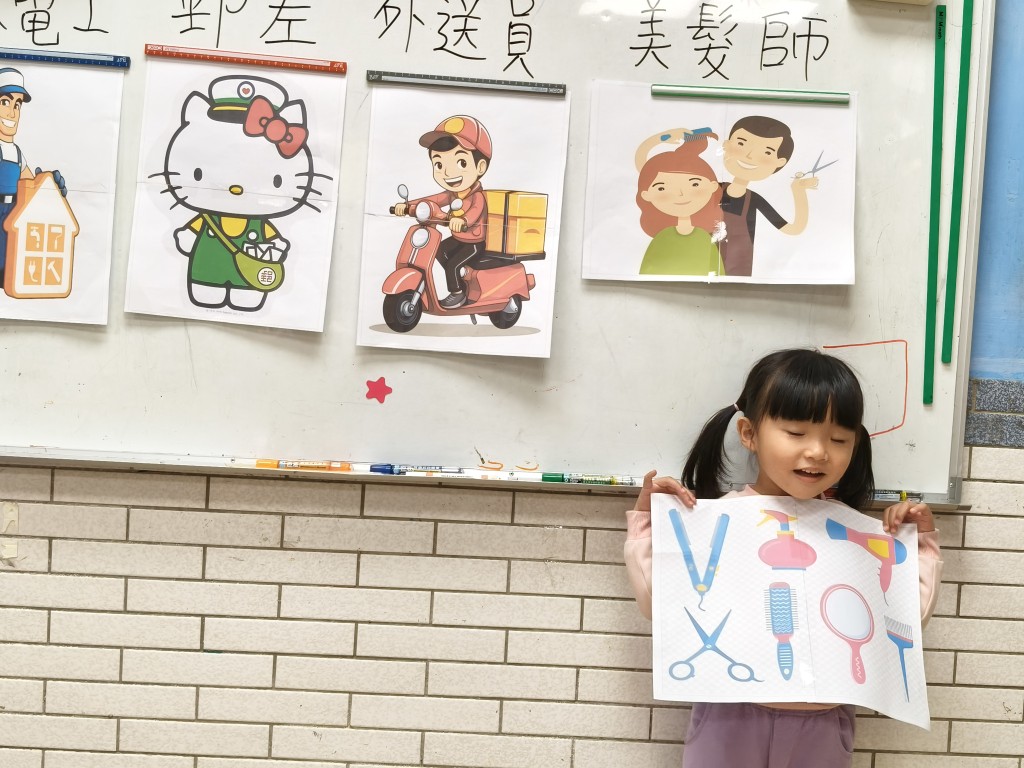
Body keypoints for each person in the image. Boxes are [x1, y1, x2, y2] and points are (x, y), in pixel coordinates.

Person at [624, 348, 942, 768]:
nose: (818, 452)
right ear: (749, 433)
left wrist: (919, 544)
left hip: (822, 725)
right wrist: (649, 522)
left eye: (839, 439)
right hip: (729, 715)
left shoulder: (853, 532)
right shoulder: (718, 520)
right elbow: (660, 605)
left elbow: (906, 618)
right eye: (796, 432)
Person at [392, 115, 491, 309]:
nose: (447, 172)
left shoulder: (477, 197)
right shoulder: (451, 194)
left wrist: (463, 220)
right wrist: (406, 205)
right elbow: (433, 199)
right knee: (438, 250)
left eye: (461, 162)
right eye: (439, 164)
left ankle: (458, 293)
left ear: (480, 166)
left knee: (452, 264)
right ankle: (460, 279)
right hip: (458, 239)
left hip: (474, 243)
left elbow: (474, 213)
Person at [718, 116, 818, 277]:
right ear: (726, 144)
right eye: (741, 144)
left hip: (737, 270)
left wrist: (798, 191)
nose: (749, 155)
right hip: (702, 260)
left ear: (779, 162)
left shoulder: (754, 200)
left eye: (766, 152)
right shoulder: (709, 187)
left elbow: (794, 228)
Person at [0, 67, 67, 285]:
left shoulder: (18, 154)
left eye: (17, 105)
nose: (12, 113)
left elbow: (31, 185)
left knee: (8, 270)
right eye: (5, 102)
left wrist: (50, 187)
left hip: (11, 218)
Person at [635, 129, 725, 276]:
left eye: (694, 184)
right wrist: (660, 138)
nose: (681, 194)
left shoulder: (704, 238)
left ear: (713, 186)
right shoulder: (662, 238)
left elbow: (719, 274)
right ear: (646, 195)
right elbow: (647, 273)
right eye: (662, 188)